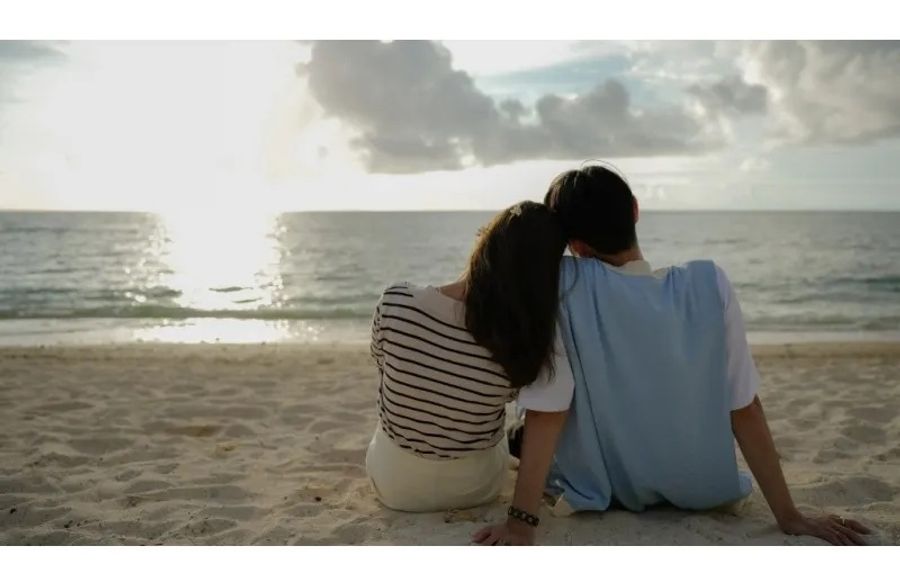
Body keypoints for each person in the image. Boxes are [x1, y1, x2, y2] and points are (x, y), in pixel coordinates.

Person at [473, 165, 871, 545]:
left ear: (574, 245)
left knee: (518, 432)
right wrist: (789, 515)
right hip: (700, 489)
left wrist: (520, 522)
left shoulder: (565, 284)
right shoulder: (709, 284)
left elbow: (548, 409)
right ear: (635, 209)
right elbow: (744, 407)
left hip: (602, 490)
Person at [365, 201, 574, 512]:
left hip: (394, 485)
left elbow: (381, 362)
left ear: (483, 241)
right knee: (502, 431)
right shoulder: (522, 341)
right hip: (474, 487)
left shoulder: (397, 302)